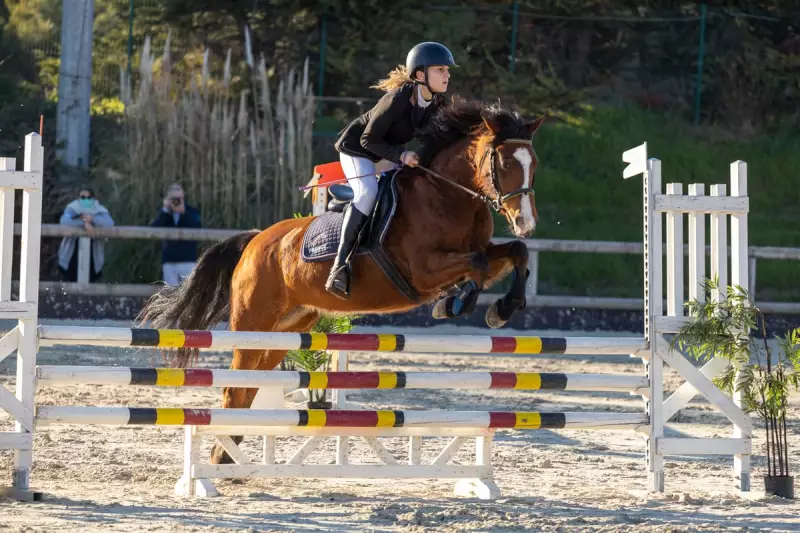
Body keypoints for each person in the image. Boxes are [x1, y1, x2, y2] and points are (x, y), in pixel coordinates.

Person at [327, 41, 455, 299]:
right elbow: (367, 140)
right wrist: (401, 155)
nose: (447, 75)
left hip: (387, 155)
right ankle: (339, 267)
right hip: (358, 151)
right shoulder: (396, 100)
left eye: (447, 70)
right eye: (440, 69)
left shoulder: (438, 104)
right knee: (367, 194)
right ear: (420, 75)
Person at [57, 187, 114, 282]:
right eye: (83, 197)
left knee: (91, 280)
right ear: (78, 198)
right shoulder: (72, 208)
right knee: (70, 280)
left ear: (94, 198)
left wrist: (92, 219)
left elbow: (109, 223)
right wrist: (83, 222)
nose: (86, 200)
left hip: (93, 252)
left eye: (89, 197)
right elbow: (64, 221)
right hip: (72, 252)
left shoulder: (100, 210)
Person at [150, 183, 202, 285]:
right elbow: (153, 229)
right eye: (174, 199)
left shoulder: (192, 212)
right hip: (170, 261)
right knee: (170, 294)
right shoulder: (165, 214)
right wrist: (165, 210)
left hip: (188, 261)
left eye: (179, 198)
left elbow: (197, 226)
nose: (176, 202)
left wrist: (184, 213)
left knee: (188, 293)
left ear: (183, 197)